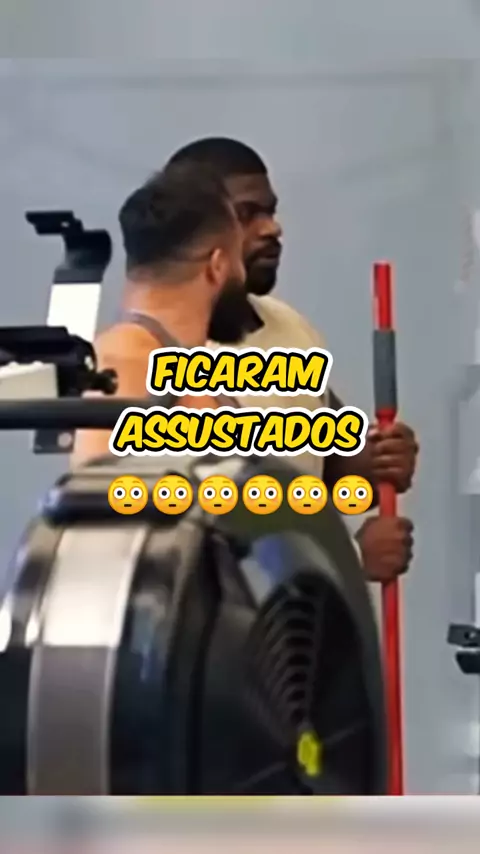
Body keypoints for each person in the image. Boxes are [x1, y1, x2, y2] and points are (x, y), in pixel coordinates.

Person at [165, 137, 418, 583]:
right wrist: (350, 560)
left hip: (307, 618)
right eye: (247, 215)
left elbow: (323, 459)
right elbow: (192, 544)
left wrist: (375, 460)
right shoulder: (156, 355)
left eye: (270, 211)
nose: (272, 229)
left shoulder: (287, 328)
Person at [71, 162, 246, 466]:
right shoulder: (124, 360)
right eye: (238, 260)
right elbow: (92, 487)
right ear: (217, 266)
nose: (242, 275)